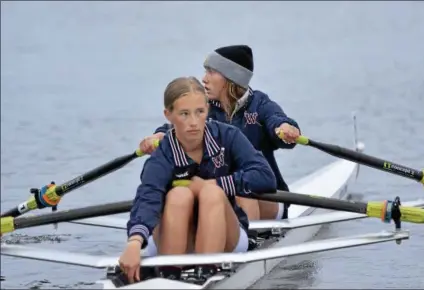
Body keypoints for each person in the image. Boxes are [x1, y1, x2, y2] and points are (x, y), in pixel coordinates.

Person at [118, 76, 277, 283]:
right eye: (184, 114)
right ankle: (169, 274)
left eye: (199, 112)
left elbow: (265, 177)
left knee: (211, 193)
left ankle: (206, 270)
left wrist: (215, 183)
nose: (193, 122)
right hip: (172, 237)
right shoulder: (163, 154)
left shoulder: (227, 136)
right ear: (169, 115)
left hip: (226, 237)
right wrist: (134, 243)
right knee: (178, 195)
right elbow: (148, 197)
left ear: (207, 111)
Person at [139, 45, 300, 223]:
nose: (204, 79)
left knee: (241, 193)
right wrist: (159, 136)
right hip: (217, 192)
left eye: (211, 72)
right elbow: (176, 125)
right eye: (205, 71)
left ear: (232, 78)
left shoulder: (260, 105)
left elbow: (276, 120)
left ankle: (251, 242)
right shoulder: (204, 108)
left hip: (265, 194)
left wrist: (285, 128)